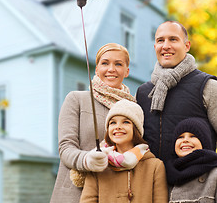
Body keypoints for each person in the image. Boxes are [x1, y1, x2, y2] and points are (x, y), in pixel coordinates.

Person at [50, 43, 136, 203]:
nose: (111, 69)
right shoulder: (76, 99)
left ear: (127, 71)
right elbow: (65, 147)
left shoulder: (134, 108)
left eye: (118, 64)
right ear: (96, 69)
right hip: (76, 193)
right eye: (105, 63)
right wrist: (86, 159)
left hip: (117, 194)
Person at [136, 21, 217, 163]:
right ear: (155, 47)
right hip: (152, 182)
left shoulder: (208, 86)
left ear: (187, 46)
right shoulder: (143, 92)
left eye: (173, 39)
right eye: (160, 40)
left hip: (196, 181)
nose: (166, 46)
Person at [80, 99, 168, 203]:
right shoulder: (99, 163)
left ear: (136, 129)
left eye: (126, 122)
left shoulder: (155, 166)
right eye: (113, 123)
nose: (118, 127)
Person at [166, 118, 217, 202]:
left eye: (193, 136)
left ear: (204, 142)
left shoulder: (214, 174)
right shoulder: (167, 174)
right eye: (180, 137)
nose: (185, 140)